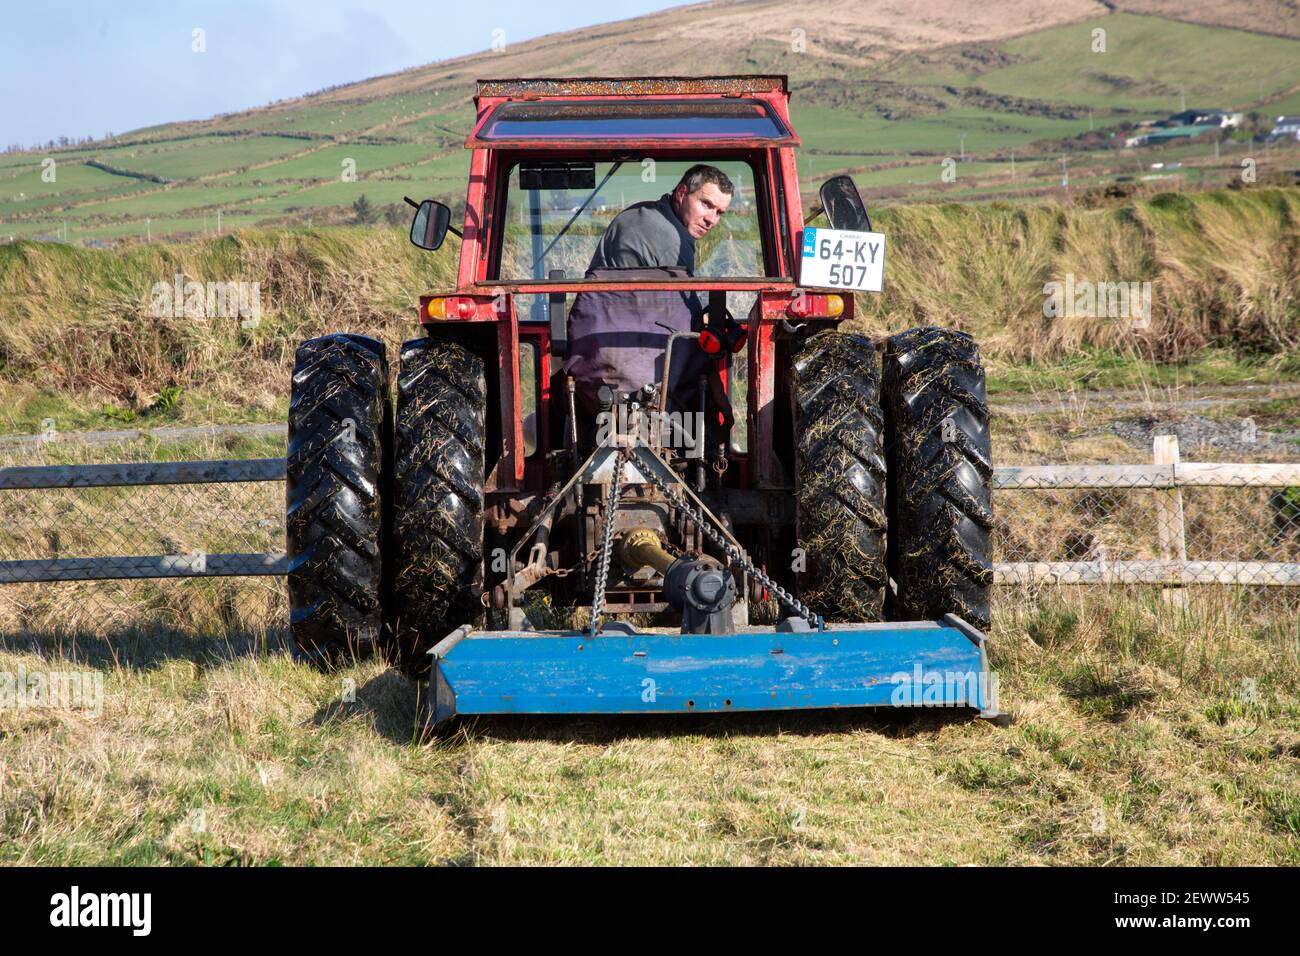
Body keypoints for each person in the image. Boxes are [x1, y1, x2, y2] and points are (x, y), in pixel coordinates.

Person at [564, 165, 736, 439]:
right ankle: (709, 453)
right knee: (706, 371)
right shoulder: (674, 242)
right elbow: (676, 310)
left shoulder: (637, 213)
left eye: (719, 213)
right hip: (642, 362)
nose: (711, 220)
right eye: (706, 204)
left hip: (593, 359)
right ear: (682, 193)